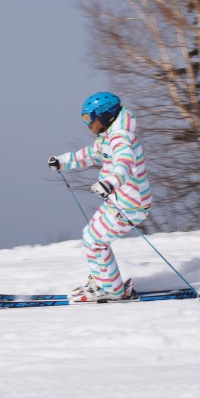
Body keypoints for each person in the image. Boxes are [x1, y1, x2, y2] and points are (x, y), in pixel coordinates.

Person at [48, 92, 152, 302]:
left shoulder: (121, 138)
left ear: (105, 116)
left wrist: (110, 183)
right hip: (118, 201)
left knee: (95, 242)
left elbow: (125, 165)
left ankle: (112, 290)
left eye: (90, 119)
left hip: (130, 205)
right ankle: (104, 281)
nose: (88, 125)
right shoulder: (107, 137)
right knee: (90, 237)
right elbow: (86, 155)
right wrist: (62, 162)